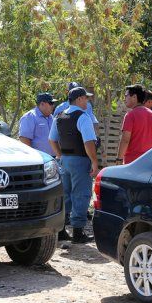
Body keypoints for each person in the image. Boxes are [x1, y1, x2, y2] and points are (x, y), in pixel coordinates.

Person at [49, 87, 99, 244]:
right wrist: (94, 161)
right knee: (81, 194)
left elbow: (52, 139)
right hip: (80, 160)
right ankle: (78, 232)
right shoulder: (83, 117)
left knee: (66, 195)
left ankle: (62, 230)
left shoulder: (59, 116)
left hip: (65, 160)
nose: (87, 101)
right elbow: (89, 142)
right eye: (85, 98)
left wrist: (60, 155)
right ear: (78, 99)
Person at [116, 84, 152, 165]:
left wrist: (119, 160)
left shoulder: (130, 115)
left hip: (132, 163)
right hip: (149, 163)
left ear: (134, 97)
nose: (124, 99)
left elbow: (125, 140)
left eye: (126, 95)